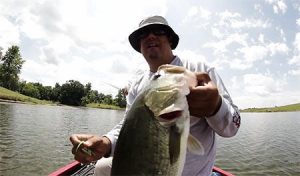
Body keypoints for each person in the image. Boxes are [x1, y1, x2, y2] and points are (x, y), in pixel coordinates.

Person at [70, 15, 241, 176]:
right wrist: (107, 142)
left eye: (159, 31)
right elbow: (129, 124)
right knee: (101, 167)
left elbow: (232, 128)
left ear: (170, 40)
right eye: (143, 34)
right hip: (144, 165)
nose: (150, 36)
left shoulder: (198, 69)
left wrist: (216, 107)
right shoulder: (138, 81)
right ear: (139, 45)